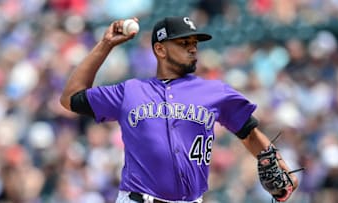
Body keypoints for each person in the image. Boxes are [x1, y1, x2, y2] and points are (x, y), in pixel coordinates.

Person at [60, 16, 299, 203]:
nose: (193, 48)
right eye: (184, 43)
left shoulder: (216, 92)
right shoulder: (129, 91)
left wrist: (280, 165)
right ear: (160, 50)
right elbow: (70, 98)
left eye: (194, 43)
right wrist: (106, 44)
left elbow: (249, 132)